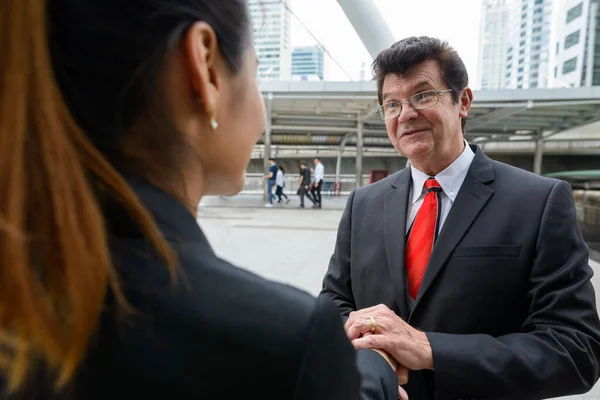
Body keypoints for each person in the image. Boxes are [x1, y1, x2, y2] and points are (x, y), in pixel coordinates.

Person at [0, 1, 399, 399]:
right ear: (204, 66)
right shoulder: (283, 342)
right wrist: (374, 364)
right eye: (255, 72)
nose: (259, 111)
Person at [321, 36, 600, 400]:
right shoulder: (364, 203)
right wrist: (370, 347)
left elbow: (575, 350)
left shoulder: (539, 201)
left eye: (423, 95)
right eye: (391, 104)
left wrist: (430, 349)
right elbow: (334, 302)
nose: (405, 114)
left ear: (463, 101)